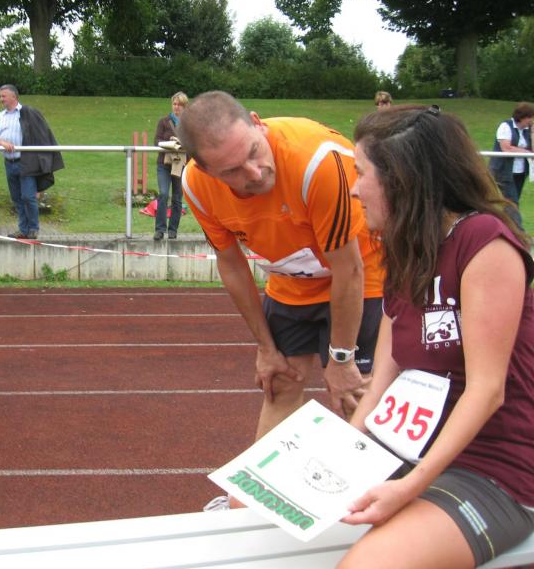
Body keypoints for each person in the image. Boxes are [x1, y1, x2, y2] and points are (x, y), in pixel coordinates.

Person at [339, 104, 534, 568]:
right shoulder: (406, 249)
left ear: (402, 180)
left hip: (491, 466)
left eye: (361, 172)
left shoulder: (484, 242)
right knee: (248, 506)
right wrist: (341, 454)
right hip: (408, 450)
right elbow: (382, 380)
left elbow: (487, 390)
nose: (354, 188)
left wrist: (409, 486)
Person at [177, 91, 384, 510]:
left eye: (254, 152)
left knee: (353, 392)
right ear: (206, 169)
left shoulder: (316, 162)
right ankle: (251, 507)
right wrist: (265, 347)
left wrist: (341, 357)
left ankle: (373, 501)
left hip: (362, 275)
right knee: (279, 382)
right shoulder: (196, 186)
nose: (254, 173)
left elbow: (348, 269)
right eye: (232, 171)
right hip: (291, 282)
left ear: (258, 123)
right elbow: (232, 266)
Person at [0, 84, 64, 240]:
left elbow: (42, 135)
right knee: (17, 198)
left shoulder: (28, 113)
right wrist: (2, 142)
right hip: (9, 163)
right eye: (0, 96)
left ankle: (33, 229)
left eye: (3, 96)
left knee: (29, 196)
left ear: (14, 96)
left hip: (26, 162)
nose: (1, 99)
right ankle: (23, 229)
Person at [488, 102, 533, 230]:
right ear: (523, 117)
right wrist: (526, 152)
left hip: (520, 171)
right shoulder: (505, 126)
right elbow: (506, 148)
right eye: (530, 118)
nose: (531, 121)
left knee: (511, 202)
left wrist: (533, 133)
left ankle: (506, 229)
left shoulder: (527, 130)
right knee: (512, 202)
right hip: (503, 171)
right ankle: (519, 232)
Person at [153, 92, 189, 240]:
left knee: (177, 198)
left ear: (184, 107)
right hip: (164, 163)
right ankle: (160, 230)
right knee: (163, 194)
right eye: (174, 104)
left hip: (181, 164)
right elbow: (156, 141)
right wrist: (170, 142)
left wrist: (182, 143)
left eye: (179, 105)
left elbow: (194, 143)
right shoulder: (164, 121)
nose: (176, 107)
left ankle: (173, 230)